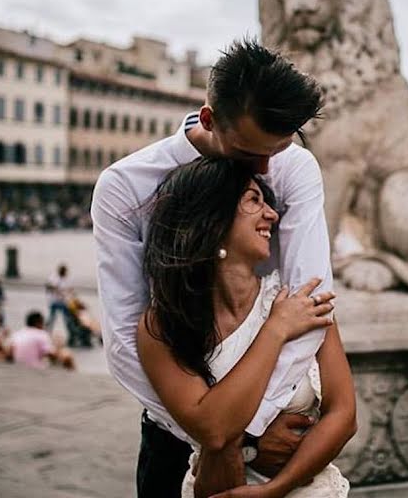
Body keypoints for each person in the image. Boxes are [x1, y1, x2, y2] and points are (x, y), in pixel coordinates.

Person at [91, 38, 334, 497]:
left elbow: (311, 299)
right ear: (208, 119)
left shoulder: (294, 166)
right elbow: (125, 341)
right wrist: (220, 437)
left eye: (277, 150)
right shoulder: (125, 187)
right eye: (249, 153)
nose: (265, 167)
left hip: (279, 431)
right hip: (175, 431)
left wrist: (251, 428)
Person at [139, 158, 355, 497]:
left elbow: (344, 415)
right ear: (211, 217)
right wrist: (275, 330)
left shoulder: (300, 301)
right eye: (254, 200)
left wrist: (273, 490)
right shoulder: (162, 325)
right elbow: (212, 428)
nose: (272, 214)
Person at [45, 264, 73, 336]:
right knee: (52, 318)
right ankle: (47, 332)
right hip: (53, 301)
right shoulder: (54, 277)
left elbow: (70, 289)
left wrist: (68, 294)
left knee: (67, 319)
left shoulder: (66, 279)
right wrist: (57, 289)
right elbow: (48, 286)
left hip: (63, 302)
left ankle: (71, 334)